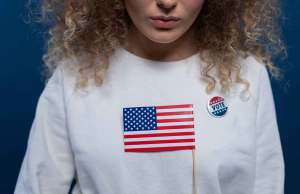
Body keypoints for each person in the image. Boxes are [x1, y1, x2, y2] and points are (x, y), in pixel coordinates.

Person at [14, 0, 286, 194]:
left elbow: (265, 185)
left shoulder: (248, 76)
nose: (167, 2)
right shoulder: (74, 77)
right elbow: (38, 187)